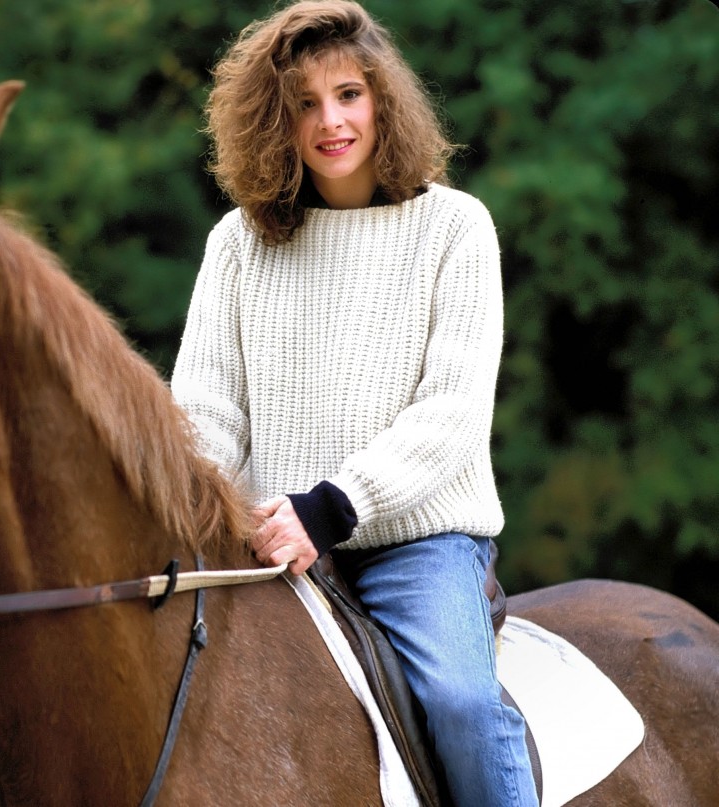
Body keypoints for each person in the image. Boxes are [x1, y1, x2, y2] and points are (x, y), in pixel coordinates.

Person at [170, 2, 538, 805]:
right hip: (269, 541)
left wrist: (334, 507)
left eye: (348, 94)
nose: (330, 120)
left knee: (464, 705)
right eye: (304, 104)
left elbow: (451, 414)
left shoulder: (454, 229)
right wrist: (198, 507)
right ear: (275, 120)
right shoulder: (237, 242)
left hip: (419, 544)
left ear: (383, 102)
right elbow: (208, 410)